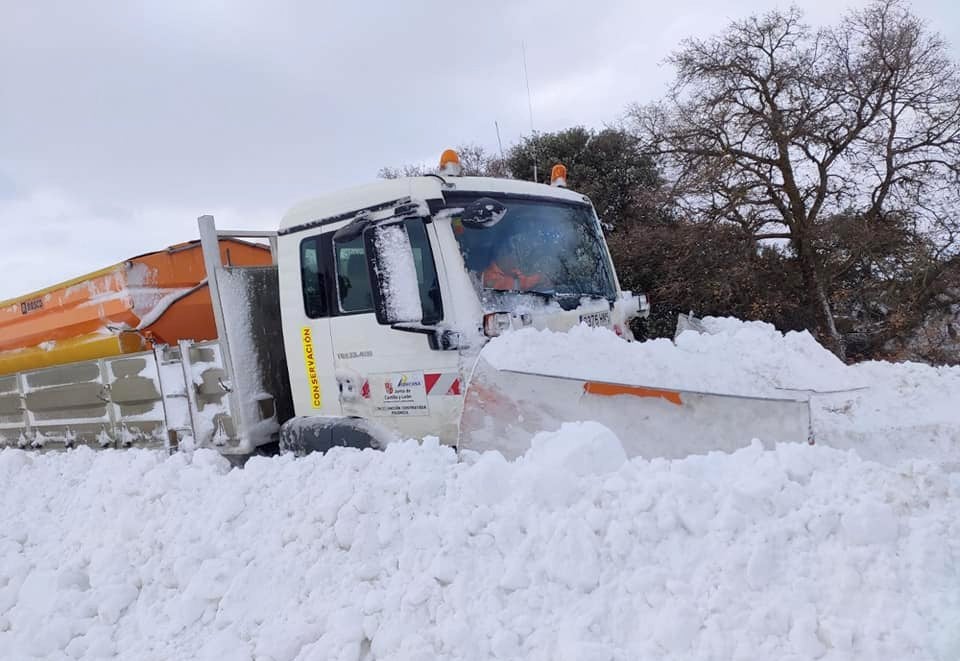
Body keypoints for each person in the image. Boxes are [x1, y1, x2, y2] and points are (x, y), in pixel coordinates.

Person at [481, 240, 548, 291]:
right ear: (499, 255)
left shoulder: (510, 271)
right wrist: (537, 278)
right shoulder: (489, 275)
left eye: (514, 254)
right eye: (510, 254)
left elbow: (523, 279)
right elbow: (506, 286)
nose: (513, 258)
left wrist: (543, 279)